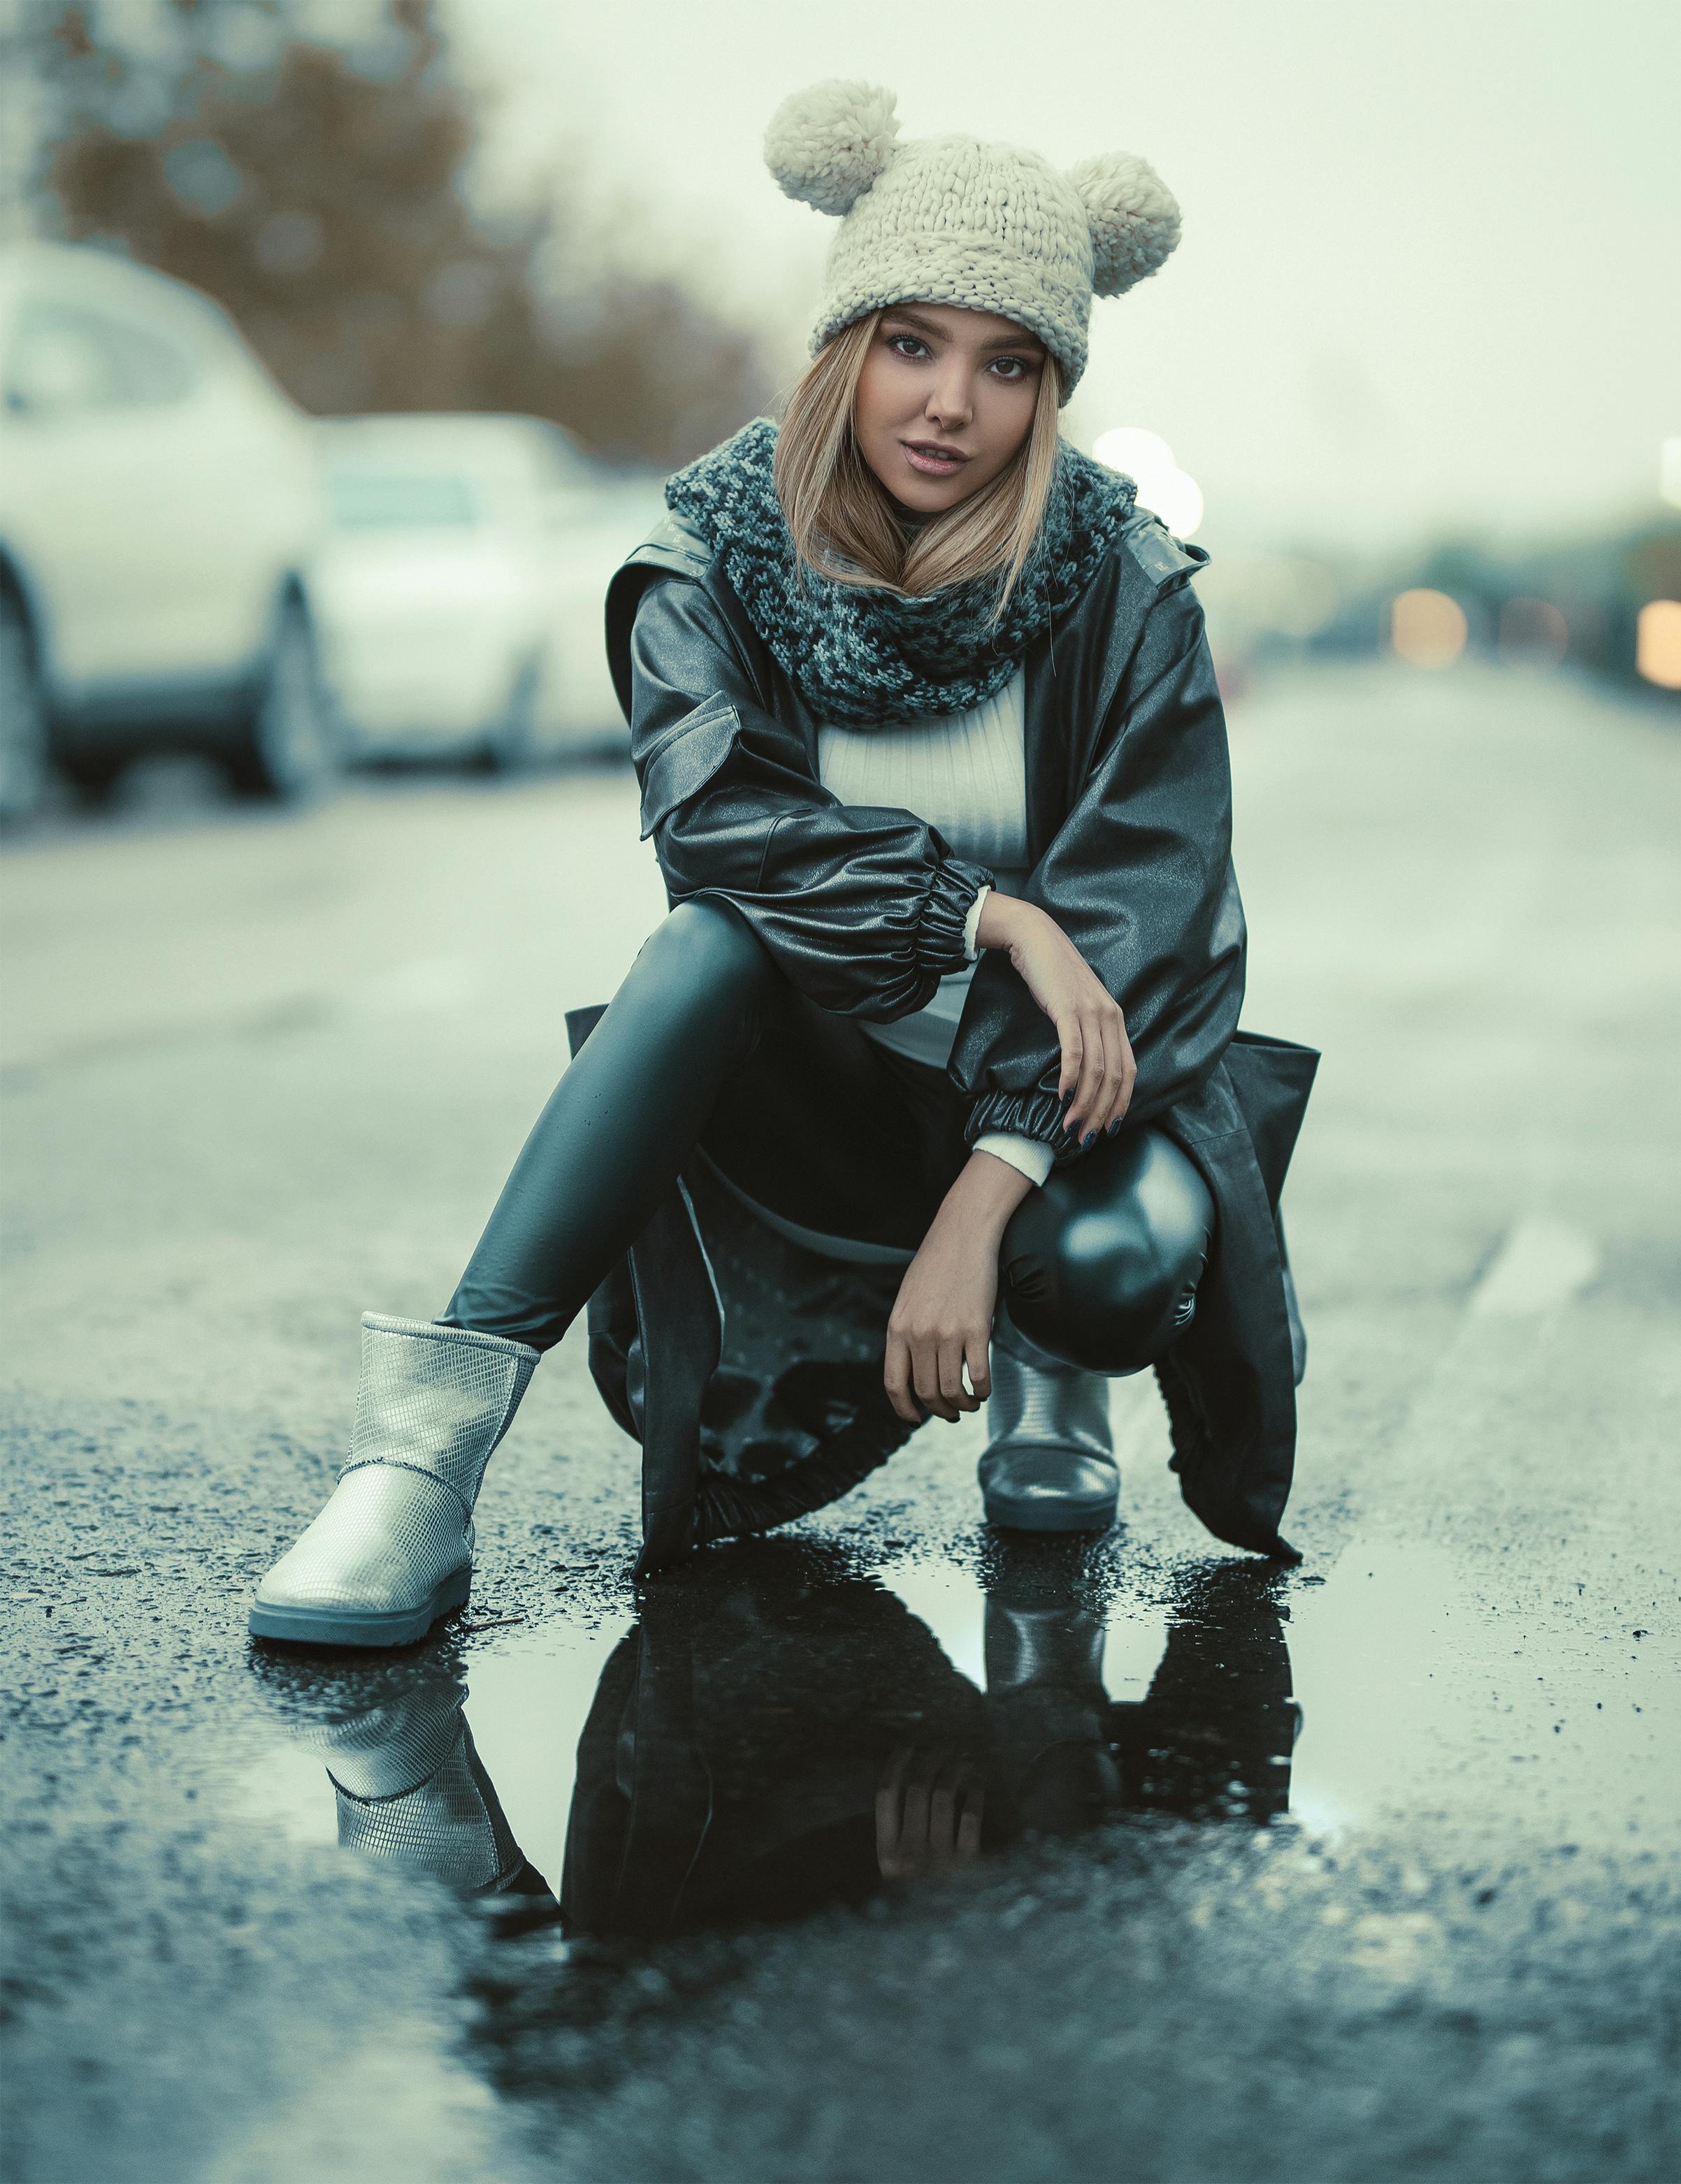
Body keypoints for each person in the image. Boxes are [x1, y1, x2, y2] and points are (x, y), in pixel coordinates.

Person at [250, 80, 1316, 1651]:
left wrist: (982, 1198)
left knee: (1100, 1268)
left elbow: (1156, 914)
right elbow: (721, 831)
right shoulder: (714, 555)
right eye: (910, 343)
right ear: (841, 345)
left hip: (1065, 1128)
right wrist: (980, 910)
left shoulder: (1123, 582)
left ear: (1049, 391)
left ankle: (1051, 1362)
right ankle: (419, 1459)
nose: (949, 402)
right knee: (694, 952)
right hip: (818, 1107)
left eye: (1005, 363)